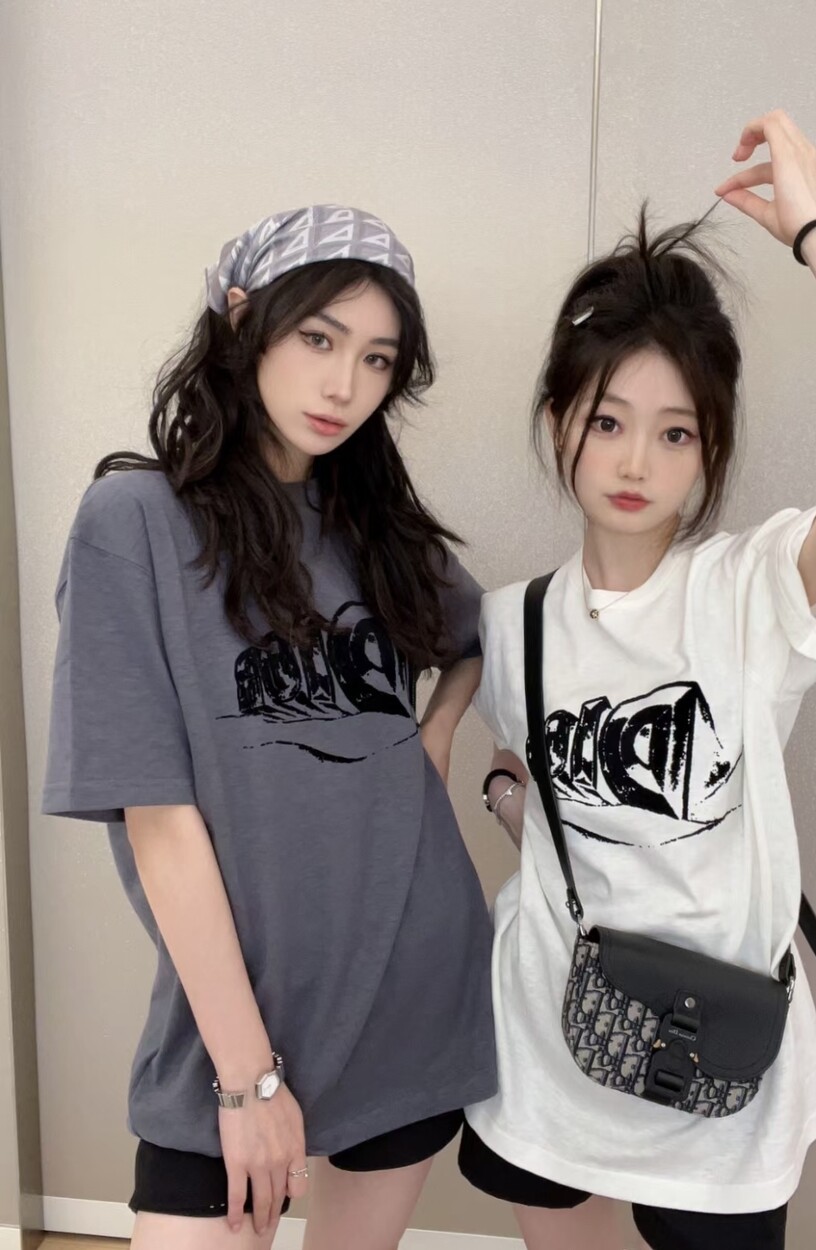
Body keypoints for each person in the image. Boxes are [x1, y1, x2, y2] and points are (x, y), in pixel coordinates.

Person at [460, 112, 816, 1250]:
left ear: (711, 448)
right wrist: (506, 797)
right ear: (560, 421)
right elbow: (514, 752)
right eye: (608, 421)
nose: (636, 461)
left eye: (677, 433)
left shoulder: (751, 588)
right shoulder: (511, 621)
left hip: (714, 1056)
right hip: (550, 1031)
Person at [42, 205, 496, 1250]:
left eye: (377, 359)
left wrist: (433, 737)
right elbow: (159, 823)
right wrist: (246, 1080)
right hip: (236, 1015)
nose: (344, 385)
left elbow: (487, 637)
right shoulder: (133, 524)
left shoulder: (376, 532)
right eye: (319, 338)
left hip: (412, 973)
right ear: (244, 320)